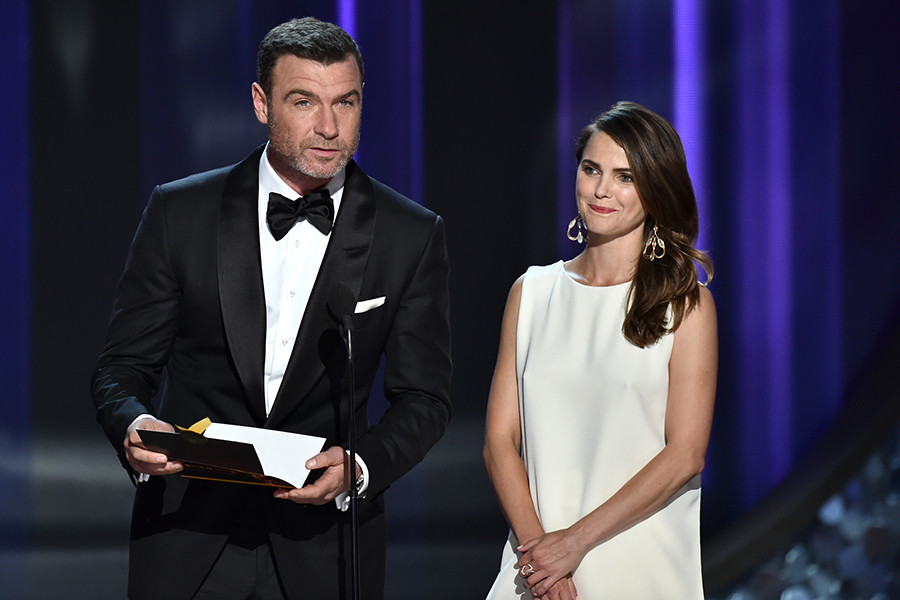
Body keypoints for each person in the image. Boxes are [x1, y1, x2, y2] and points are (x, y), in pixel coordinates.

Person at [91, 17, 451, 600]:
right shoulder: (180, 213)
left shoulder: (410, 233)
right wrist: (134, 426)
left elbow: (425, 398)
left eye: (346, 102)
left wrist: (359, 468)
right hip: (189, 533)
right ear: (261, 103)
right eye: (304, 101)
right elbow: (121, 370)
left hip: (326, 543)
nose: (329, 127)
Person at [483, 101, 717, 599]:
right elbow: (500, 442)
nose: (602, 189)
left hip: (639, 563)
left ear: (655, 189)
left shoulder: (685, 304)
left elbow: (687, 454)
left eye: (625, 176)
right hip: (538, 567)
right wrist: (542, 559)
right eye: (592, 170)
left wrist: (574, 543)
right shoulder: (533, 293)